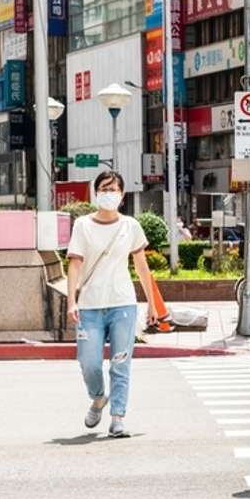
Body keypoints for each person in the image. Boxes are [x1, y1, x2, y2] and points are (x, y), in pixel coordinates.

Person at [65, 170, 159, 439]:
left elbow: (142, 267)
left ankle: (118, 417)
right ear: (96, 193)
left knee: (121, 363)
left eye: (114, 189)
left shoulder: (130, 226)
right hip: (90, 306)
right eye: (104, 188)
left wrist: (151, 304)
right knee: (89, 362)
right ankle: (98, 398)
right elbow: (75, 264)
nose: (109, 193)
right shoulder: (83, 224)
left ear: (122, 195)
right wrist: (72, 301)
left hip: (123, 304)